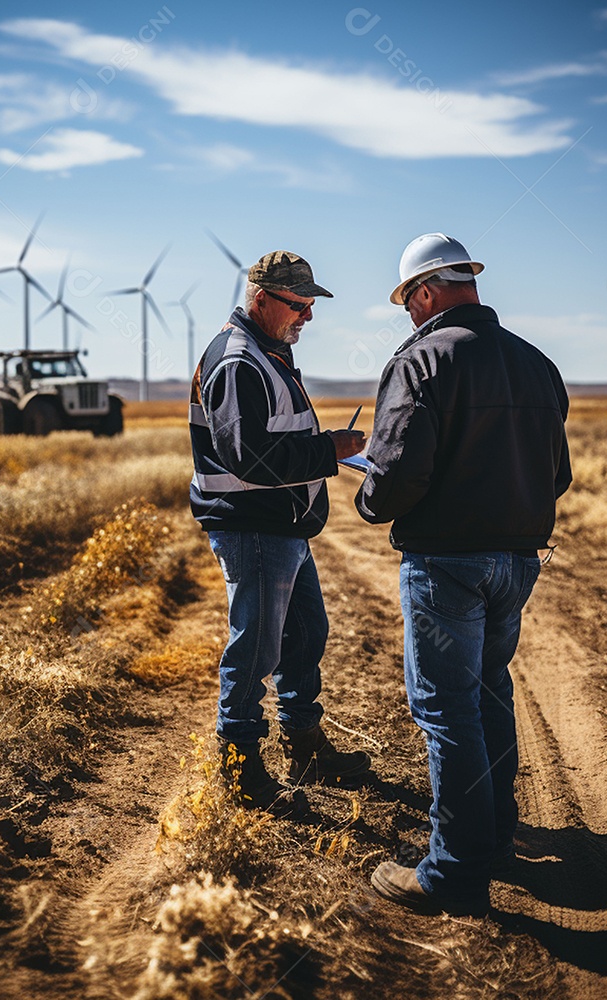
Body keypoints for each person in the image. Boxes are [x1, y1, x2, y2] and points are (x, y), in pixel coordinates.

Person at [355, 233, 572, 916]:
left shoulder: (421, 361)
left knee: (447, 710)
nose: (409, 317)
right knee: (486, 696)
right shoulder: (536, 363)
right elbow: (558, 473)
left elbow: (395, 476)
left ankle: (453, 872)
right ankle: (495, 836)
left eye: (409, 304)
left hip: (445, 564)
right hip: (519, 561)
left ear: (423, 294)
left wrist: (368, 497)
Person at [189, 250, 371, 815]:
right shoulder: (239, 361)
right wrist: (330, 451)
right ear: (261, 299)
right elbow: (250, 458)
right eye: (299, 305)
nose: (308, 317)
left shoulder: (270, 351)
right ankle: (241, 769)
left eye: (311, 305)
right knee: (256, 649)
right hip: (255, 528)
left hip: (282, 528)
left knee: (304, 635)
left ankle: (304, 745)